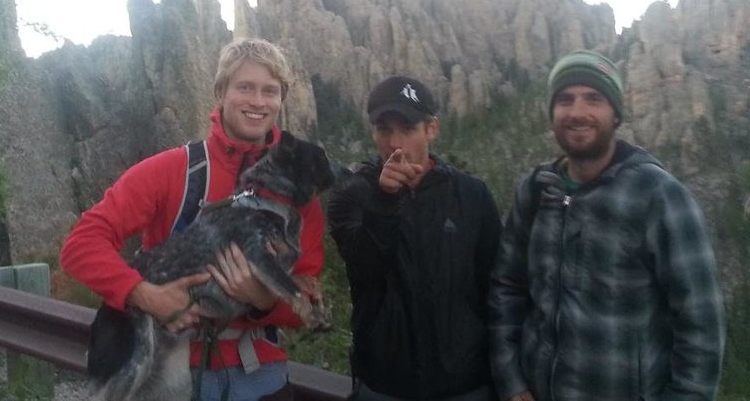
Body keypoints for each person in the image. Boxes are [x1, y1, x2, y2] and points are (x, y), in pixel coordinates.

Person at [60, 38, 325, 401]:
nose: (258, 101)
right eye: (244, 87)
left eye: (270, 91)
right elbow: (81, 245)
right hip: (171, 376)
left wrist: (263, 299)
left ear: (281, 100)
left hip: (260, 378)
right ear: (220, 92)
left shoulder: (297, 194)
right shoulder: (173, 170)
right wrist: (146, 296)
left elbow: (307, 298)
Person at [488, 49, 725, 401]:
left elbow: (701, 326)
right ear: (552, 112)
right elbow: (506, 289)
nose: (578, 112)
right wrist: (511, 382)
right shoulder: (535, 191)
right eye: (565, 100)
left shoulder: (659, 196)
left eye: (594, 99)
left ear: (615, 114)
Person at [327, 75, 502, 400]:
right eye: (384, 129)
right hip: (383, 386)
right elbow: (363, 267)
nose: (395, 142)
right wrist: (385, 200)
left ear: (431, 129)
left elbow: (496, 288)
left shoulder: (471, 195)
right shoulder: (352, 193)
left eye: (407, 129)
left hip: (464, 386)